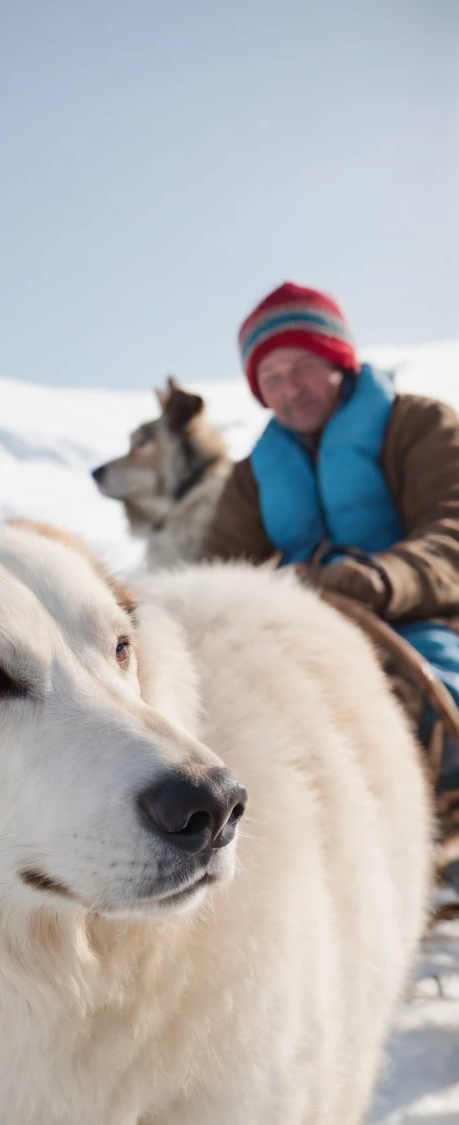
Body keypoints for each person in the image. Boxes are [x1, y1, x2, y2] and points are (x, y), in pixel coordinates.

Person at [203, 282, 459, 818]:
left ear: (338, 359)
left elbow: (451, 532)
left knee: (439, 710)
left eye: (303, 368)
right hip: (303, 635)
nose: (290, 388)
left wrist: (380, 580)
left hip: (427, 622)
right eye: (271, 377)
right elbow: (213, 573)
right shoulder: (252, 478)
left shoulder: (421, 425)